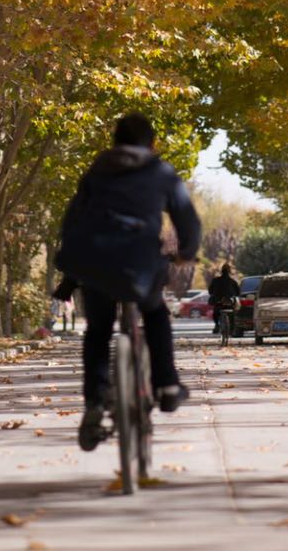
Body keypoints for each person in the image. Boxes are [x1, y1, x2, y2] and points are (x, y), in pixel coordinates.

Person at [56, 112, 201, 450]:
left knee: (98, 331)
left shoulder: (96, 171)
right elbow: (188, 220)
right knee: (155, 314)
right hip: (140, 262)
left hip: (94, 260)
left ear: (115, 141)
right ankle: (167, 385)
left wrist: (72, 270)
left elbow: (72, 222)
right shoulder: (161, 172)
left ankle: (95, 401)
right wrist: (186, 253)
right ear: (152, 143)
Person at [207, 262, 241, 336]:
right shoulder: (232, 281)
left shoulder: (215, 280)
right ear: (229, 271)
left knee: (215, 312)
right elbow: (238, 292)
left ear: (221, 271)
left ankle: (217, 325)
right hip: (229, 303)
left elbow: (210, 291)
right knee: (232, 314)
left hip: (218, 302)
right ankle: (232, 329)